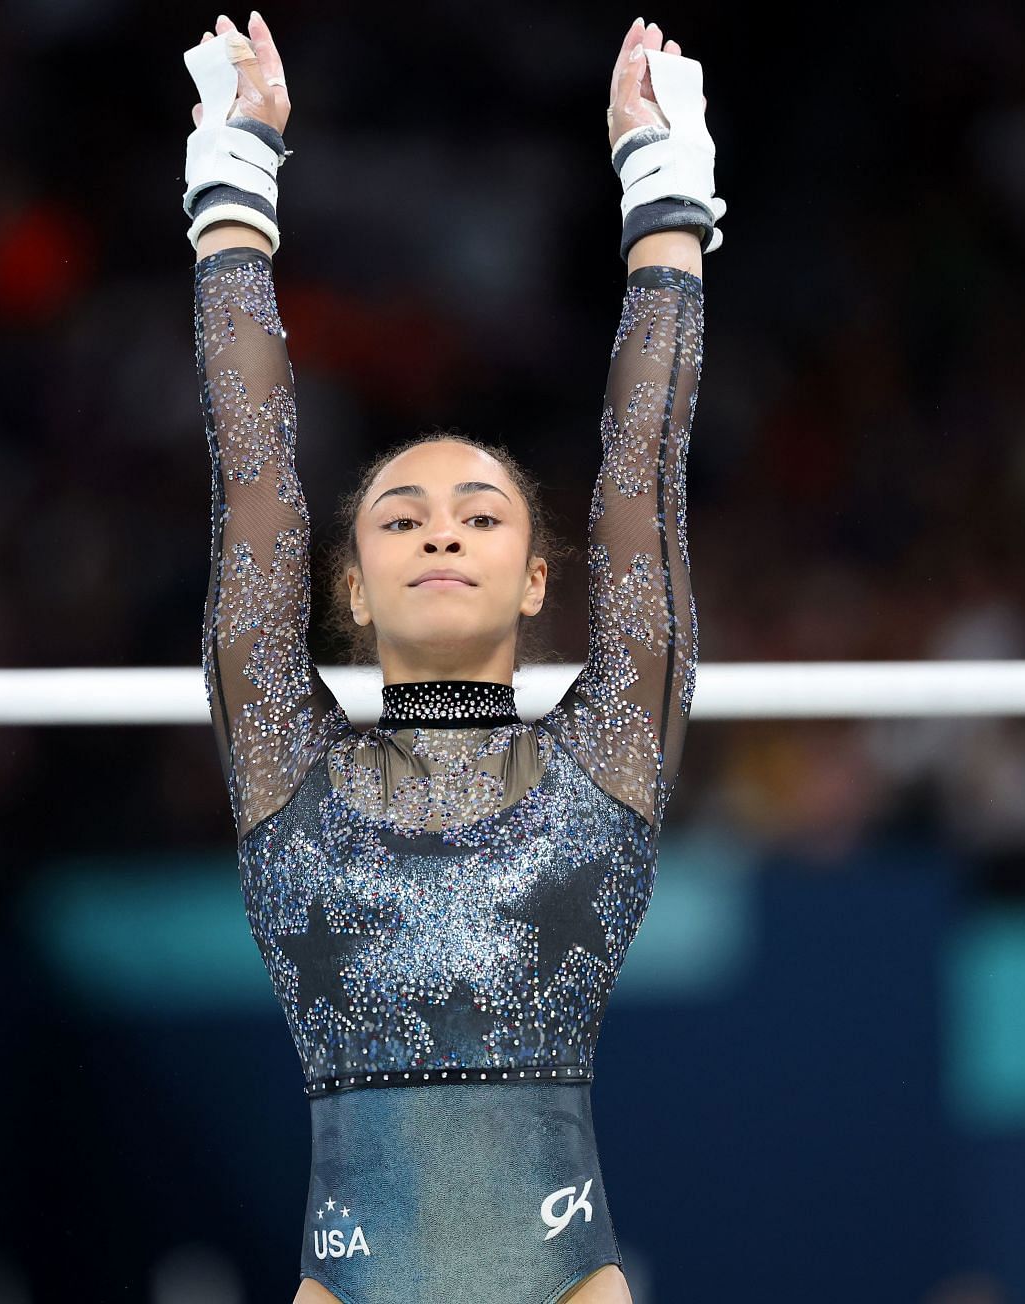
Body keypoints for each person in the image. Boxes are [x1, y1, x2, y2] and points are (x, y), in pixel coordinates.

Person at [186, 13, 719, 1302]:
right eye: (401, 517)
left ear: (539, 579)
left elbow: (641, 490)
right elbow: (253, 483)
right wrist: (233, 188)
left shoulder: (605, 761)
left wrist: (666, 205)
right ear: (350, 590)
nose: (441, 530)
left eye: (482, 516)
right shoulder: (285, 771)